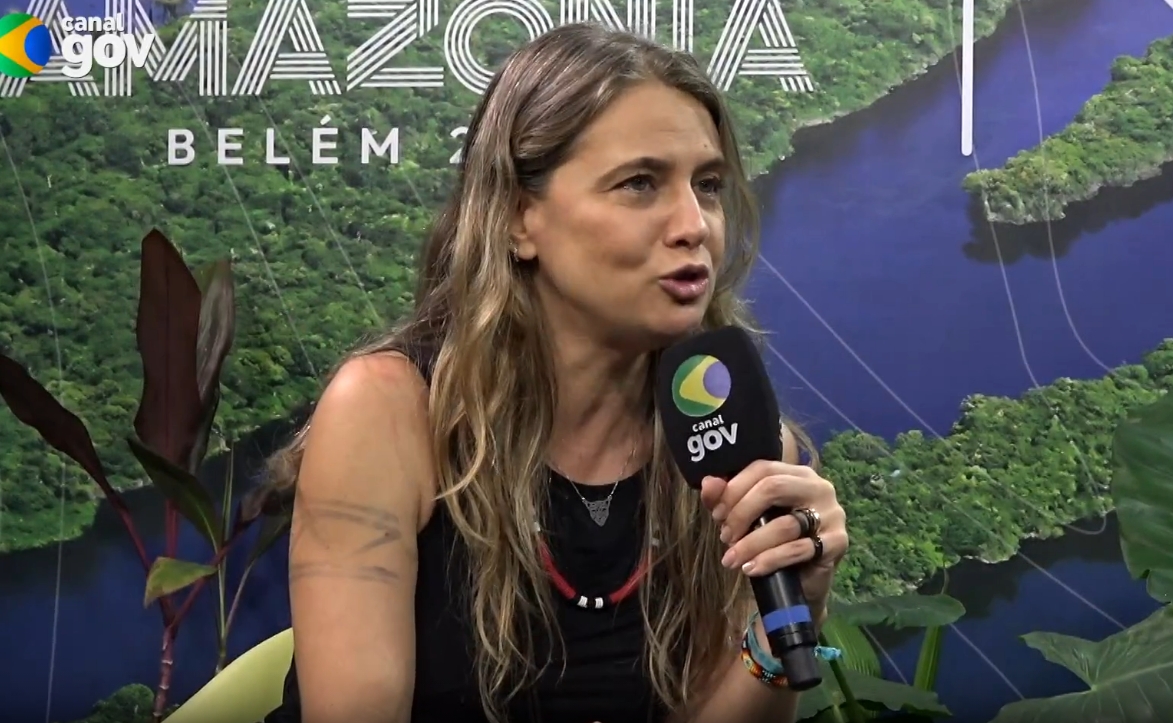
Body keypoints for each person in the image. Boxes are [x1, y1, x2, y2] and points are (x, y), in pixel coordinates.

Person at [260, 21, 848, 723]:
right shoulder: (387, 413)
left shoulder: (736, 447)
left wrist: (786, 619)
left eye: (710, 185)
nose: (694, 224)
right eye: (639, 184)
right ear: (518, 218)